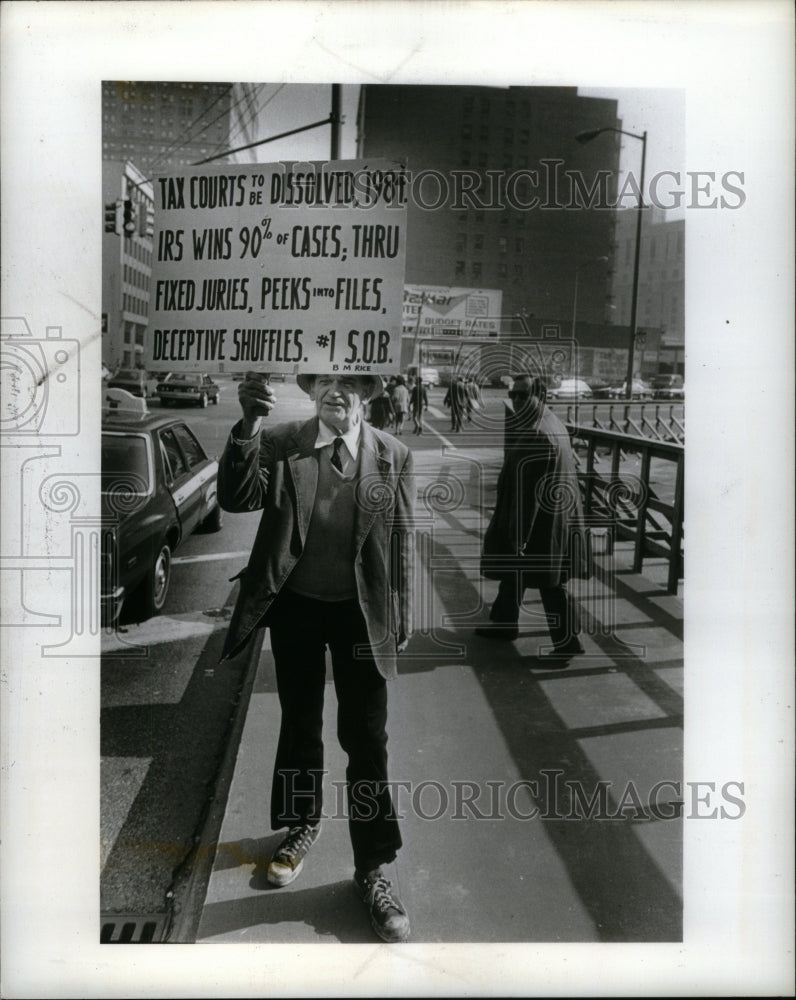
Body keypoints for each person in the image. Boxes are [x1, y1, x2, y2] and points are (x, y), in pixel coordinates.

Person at [218, 371, 415, 943]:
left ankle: (373, 867)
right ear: (311, 391)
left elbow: (400, 536)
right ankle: (302, 825)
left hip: (360, 615)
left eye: (349, 379)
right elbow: (237, 498)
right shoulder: (282, 441)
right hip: (298, 608)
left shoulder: (393, 453)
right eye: (325, 378)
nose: (336, 388)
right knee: (300, 723)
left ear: (369, 393)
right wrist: (249, 423)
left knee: (365, 738)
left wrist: (398, 609)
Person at [476, 373, 590, 662]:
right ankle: (504, 622)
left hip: (542, 524)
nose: (515, 400)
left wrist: (518, 536)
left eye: (523, 395)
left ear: (541, 396)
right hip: (553, 518)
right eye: (513, 394)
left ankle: (568, 644)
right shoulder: (548, 422)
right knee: (519, 573)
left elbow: (530, 497)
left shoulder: (538, 432)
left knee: (549, 583)